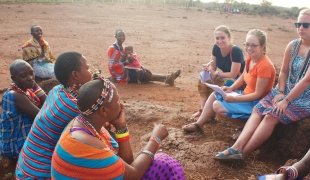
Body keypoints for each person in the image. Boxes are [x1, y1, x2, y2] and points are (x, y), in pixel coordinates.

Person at [215, 8, 310, 160]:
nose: (300, 28)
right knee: (258, 109)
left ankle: (243, 154)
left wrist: (286, 100)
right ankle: (235, 148)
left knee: (272, 115)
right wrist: (280, 92)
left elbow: (307, 80)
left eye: (305, 25)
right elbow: (283, 72)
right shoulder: (293, 45)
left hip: (306, 95)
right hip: (286, 88)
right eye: (298, 24)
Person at [51, 78, 185, 179]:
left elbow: (126, 162)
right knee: (165, 165)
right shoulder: (88, 142)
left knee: (157, 163)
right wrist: (155, 139)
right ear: (103, 110)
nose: (120, 103)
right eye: (117, 100)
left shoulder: (85, 124)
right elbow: (133, 175)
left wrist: (121, 127)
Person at [15, 51, 92, 179]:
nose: (91, 72)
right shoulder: (74, 108)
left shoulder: (57, 90)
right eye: (88, 68)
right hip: (39, 174)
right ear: (75, 75)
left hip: (25, 167)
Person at [182, 29, 276, 134]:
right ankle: (198, 125)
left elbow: (257, 95)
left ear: (262, 46)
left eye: (253, 45)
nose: (249, 48)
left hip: (256, 103)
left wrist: (235, 99)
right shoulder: (251, 58)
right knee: (216, 94)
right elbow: (243, 76)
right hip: (246, 96)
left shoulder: (265, 66)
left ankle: (246, 126)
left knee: (217, 105)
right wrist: (231, 88)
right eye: (247, 44)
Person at [191, 25, 245, 120]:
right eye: (217, 38)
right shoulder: (216, 48)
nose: (220, 41)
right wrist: (208, 69)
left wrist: (217, 74)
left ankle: (210, 112)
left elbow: (234, 74)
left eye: (222, 38)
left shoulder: (236, 51)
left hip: (238, 82)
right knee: (203, 78)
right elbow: (213, 66)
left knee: (217, 83)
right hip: (226, 77)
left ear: (229, 37)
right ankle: (202, 109)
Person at [0, 59, 46, 159]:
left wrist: (32, 82)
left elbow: (45, 99)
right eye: (23, 76)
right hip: (15, 144)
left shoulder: (24, 86)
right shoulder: (16, 95)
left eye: (31, 73)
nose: (30, 78)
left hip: (23, 132)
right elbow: (42, 118)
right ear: (14, 78)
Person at [107, 29, 181, 86]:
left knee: (145, 72)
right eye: (119, 36)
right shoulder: (112, 49)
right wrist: (126, 63)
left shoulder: (122, 48)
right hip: (121, 75)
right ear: (115, 36)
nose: (122, 37)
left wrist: (139, 66)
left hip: (126, 70)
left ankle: (167, 78)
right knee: (144, 75)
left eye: (123, 35)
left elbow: (126, 61)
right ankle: (167, 78)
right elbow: (112, 66)